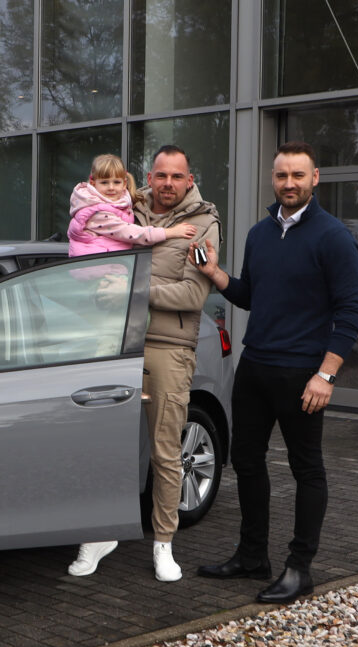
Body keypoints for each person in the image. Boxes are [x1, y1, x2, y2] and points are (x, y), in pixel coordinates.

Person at [192, 141, 358, 604]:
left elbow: (351, 311)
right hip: (256, 367)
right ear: (273, 179)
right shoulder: (260, 234)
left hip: (302, 375)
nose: (289, 183)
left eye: (297, 175)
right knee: (246, 461)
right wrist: (216, 275)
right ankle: (252, 557)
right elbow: (252, 295)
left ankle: (299, 567)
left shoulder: (333, 237)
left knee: (306, 468)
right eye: (281, 175)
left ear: (315, 179)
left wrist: (325, 376)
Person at [68, 146, 221, 582]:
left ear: (189, 180)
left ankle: (163, 543)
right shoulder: (123, 207)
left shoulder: (203, 225)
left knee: (166, 450)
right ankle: (100, 534)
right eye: (161, 176)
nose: (168, 183)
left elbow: (192, 296)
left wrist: (130, 289)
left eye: (177, 176)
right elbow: (89, 243)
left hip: (167, 346)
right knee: (101, 442)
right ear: (148, 179)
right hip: (113, 341)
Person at [67, 154, 196, 257]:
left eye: (116, 182)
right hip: (96, 268)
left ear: (124, 184)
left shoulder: (119, 203)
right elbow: (132, 233)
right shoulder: (96, 212)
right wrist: (171, 232)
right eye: (104, 182)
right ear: (93, 183)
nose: (111, 188)